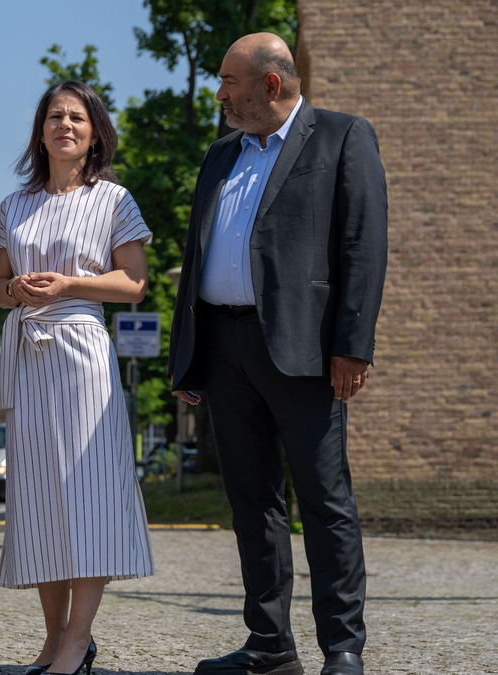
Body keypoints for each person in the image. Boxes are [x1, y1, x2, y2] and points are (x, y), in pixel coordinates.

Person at [168, 33, 387, 675]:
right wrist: (191, 354)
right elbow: (197, 255)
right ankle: (268, 644)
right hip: (225, 347)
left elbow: (362, 247)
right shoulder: (219, 155)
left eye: (230, 81)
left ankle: (342, 647)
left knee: (324, 500)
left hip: (305, 353)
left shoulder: (343, 137)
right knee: (251, 503)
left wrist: (352, 345)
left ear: (271, 84)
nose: (220, 93)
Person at [0, 80, 155, 675]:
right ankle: (54, 636)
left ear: (93, 132)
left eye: (76, 118)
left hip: (83, 352)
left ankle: (79, 639)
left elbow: (134, 283)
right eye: (55, 116)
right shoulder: (13, 206)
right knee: (38, 499)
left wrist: (67, 285)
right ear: (40, 131)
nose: (65, 124)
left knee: (90, 496)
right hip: (28, 353)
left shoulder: (114, 199)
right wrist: (17, 290)